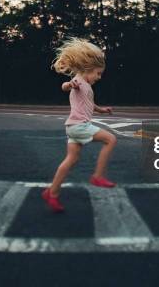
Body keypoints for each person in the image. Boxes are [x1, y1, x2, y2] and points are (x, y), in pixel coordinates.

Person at [42, 37, 118, 212]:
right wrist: (69, 84)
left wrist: (102, 110)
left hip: (72, 127)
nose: (99, 77)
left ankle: (52, 193)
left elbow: (89, 104)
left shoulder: (86, 85)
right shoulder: (78, 82)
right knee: (111, 139)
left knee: (71, 159)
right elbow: (65, 86)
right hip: (79, 126)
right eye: (98, 73)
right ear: (87, 69)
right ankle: (98, 176)